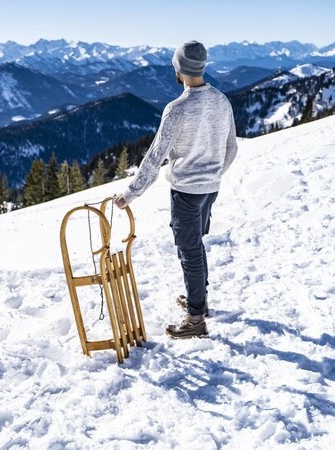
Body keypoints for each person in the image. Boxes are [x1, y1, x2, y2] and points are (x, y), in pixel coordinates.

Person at [113, 40, 237, 338]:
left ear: (178, 69)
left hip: (186, 192)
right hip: (210, 189)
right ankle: (199, 302)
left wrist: (130, 194)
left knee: (189, 250)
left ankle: (195, 319)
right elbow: (231, 147)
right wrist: (213, 176)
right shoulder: (221, 100)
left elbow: (156, 156)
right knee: (196, 246)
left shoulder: (177, 109)